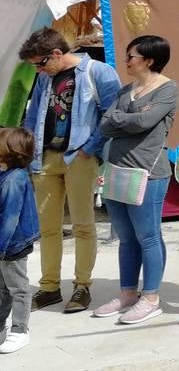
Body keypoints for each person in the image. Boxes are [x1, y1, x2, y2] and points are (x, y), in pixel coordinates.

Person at [19, 27, 120, 314]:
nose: (39, 70)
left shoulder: (98, 72)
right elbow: (33, 116)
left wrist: (90, 148)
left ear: (56, 53)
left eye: (41, 63)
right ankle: (49, 287)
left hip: (79, 156)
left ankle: (82, 285)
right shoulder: (44, 78)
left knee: (83, 224)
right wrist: (28, 151)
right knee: (47, 227)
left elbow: (111, 115)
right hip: (45, 157)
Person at [93, 35, 179, 325]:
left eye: (132, 56)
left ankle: (151, 298)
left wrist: (123, 119)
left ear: (149, 60)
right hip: (116, 170)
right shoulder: (126, 90)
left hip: (148, 173)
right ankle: (128, 293)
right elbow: (105, 125)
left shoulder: (168, 89)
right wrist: (129, 119)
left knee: (148, 236)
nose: (127, 61)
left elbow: (145, 122)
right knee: (126, 238)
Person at [0, 127, 38, 354]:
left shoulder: (14, 179)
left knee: (17, 288)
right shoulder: (7, 174)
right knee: (2, 288)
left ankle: (20, 330)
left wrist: (1, 247)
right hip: (4, 244)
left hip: (12, 245)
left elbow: (9, 218)